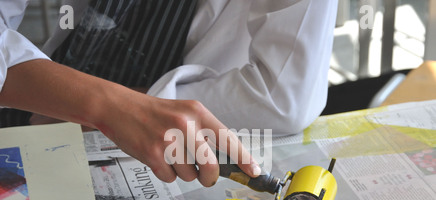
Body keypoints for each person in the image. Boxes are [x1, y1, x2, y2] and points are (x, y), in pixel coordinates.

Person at [0, 0, 337, 186]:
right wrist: (97, 104)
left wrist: (124, 109)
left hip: (167, 159)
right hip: (37, 98)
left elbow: (285, 98)